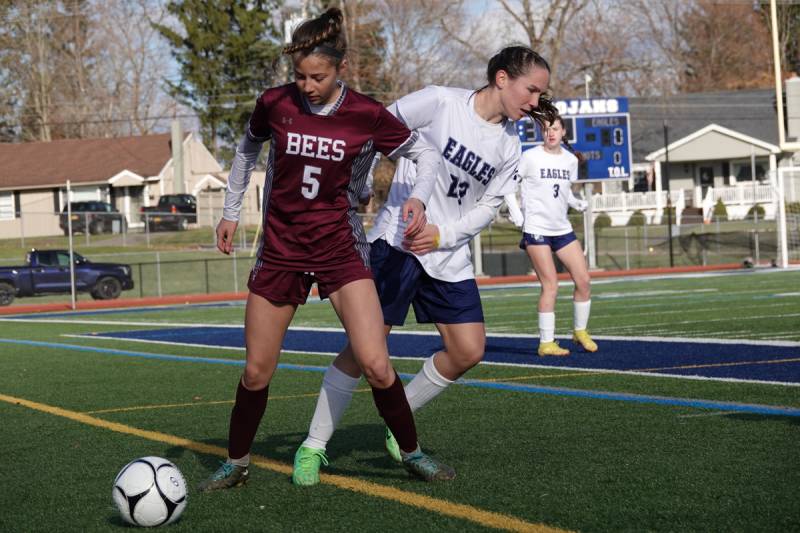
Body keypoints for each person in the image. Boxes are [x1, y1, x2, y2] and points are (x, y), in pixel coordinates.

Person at [198, 7, 455, 492]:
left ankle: (413, 452)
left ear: (340, 70)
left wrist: (418, 197)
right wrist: (231, 210)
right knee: (256, 371)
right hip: (280, 248)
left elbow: (424, 153)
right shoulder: (274, 103)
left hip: (340, 247)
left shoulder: (366, 113)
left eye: (317, 76)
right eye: (299, 75)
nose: (307, 85)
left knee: (376, 363)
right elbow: (245, 152)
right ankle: (237, 462)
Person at [292, 46, 558, 486]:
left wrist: (444, 235)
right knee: (364, 351)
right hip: (397, 243)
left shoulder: (511, 144)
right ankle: (313, 445)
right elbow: (372, 130)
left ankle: (400, 427)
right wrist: (353, 185)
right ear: (502, 79)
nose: (535, 101)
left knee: (468, 350)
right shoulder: (439, 101)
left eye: (540, 93)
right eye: (532, 89)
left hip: (448, 255)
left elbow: (489, 206)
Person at [504, 115, 597, 357]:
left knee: (584, 280)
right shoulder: (530, 157)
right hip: (536, 229)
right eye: (545, 129)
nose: (550, 133)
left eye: (555, 128)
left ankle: (580, 331)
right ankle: (546, 342)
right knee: (551, 285)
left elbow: (564, 192)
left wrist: (577, 202)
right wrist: (516, 212)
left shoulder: (569, 160)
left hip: (562, 228)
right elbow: (507, 187)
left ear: (563, 131)